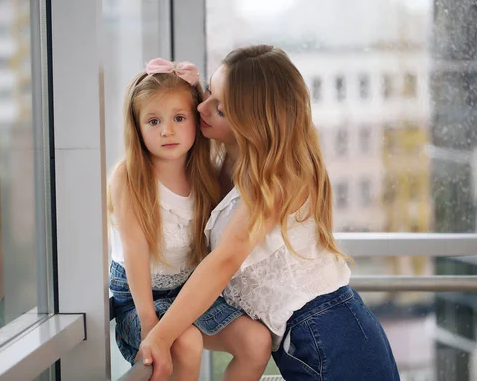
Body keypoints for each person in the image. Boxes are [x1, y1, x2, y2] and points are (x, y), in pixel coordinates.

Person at [139, 46, 400, 381]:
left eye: (220, 108)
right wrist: (186, 94)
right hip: (312, 338)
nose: (202, 108)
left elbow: (224, 261)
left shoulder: (276, 180)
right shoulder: (233, 165)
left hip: (332, 340)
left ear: (252, 123)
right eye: (207, 93)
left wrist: (159, 337)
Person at [108, 58, 271, 380]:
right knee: (185, 340)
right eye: (153, 121)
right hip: (142, 298)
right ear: (137, 127)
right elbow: (135, 253)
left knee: (257, 341)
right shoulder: (129, 176)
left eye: (179, 118)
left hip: (188, 292)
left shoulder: (207, 174)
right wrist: (150, 327)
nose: (167, 130)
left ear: (196, 121)